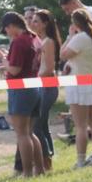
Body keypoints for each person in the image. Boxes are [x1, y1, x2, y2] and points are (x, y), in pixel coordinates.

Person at [0, 12, 44, 177]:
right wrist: (7, 60)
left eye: (6, 30)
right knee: (30, 133)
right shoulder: (34, 37)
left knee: (22, 134)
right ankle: (40, 169)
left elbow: (15, 69)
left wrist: (4, 63)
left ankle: (27, 173)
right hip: (35, 87)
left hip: (21, 89)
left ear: (11, 26)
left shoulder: (18, 42)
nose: (7, 33)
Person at [61, 9, 92, 168]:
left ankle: (80, 160)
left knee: (80, 125)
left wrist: (70, 36)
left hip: (79, 85)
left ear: (75, 23)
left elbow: (63, 54)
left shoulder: (80, 38)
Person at [32, 10, 62, 171]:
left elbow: (49, 68)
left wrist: (34, 77)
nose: (33, 24)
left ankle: (46, 160)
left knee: (37, 125)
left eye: (36, 21)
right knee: (42, 125)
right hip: (41, 86)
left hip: (47, 87)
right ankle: (49, 157)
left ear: (45, 24)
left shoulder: (48, 42)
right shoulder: (40, 41)